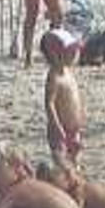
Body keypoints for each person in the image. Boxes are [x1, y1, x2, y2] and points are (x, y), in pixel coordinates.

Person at [41, 28, 86, 169]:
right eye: (71, 52)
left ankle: (75, 174)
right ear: (55, 55)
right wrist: (56, 125)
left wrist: (81, 117)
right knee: (62, 165)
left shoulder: (68, 72)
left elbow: (76, 99)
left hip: (74, 128)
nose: (75, 55)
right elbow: (49, 103)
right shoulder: (54, 77)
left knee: (75, 160)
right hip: (60, 129)